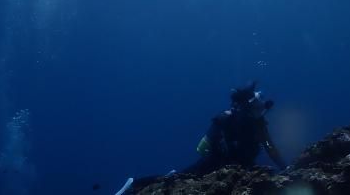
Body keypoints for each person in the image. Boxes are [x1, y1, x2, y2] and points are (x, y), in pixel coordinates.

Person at [116, 81, 286, 195]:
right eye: (258, 104)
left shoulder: (257, 124)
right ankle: (134, 186)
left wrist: (284, 169)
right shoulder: (227, 119)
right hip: (213, 166)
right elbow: (204, 148)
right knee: (174, 181)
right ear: (249, 106)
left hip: (241, 170)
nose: (261, 108)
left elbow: (270, 147)